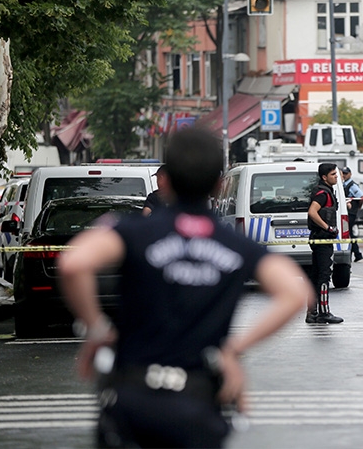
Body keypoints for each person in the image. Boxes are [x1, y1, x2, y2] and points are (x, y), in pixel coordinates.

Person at [58, 128, 312, 449]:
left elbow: (73, 264)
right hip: (197, 405)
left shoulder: (134, 231)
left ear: (167, 179)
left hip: (133, 401)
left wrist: (96, 329)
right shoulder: (237, 246)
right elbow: (295, 293)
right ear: (219, 184)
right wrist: (232, 350)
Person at [305, 162, 344, 324]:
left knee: (315, 276)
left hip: (319, 238)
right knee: (324, 276)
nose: (336, 177)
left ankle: (312, 312)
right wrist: (328, 228)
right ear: (324, 177)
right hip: (322, 239)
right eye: (333, 174)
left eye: (337, 174)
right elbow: (312, 212)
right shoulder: (323, 193)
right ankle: (323, 313)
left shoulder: (325, 191)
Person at [341, 167, 363, 262]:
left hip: (351, 213)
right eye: (343, 173)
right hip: (347, 212)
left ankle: (355, 253)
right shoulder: (343, 184)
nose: (344, 175)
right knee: (349, 232)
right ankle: (357, 253)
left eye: (346, 173)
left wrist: (356, 208)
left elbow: (361, 197)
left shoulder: (351, 185)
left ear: (350, 174)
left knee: (348, 232)